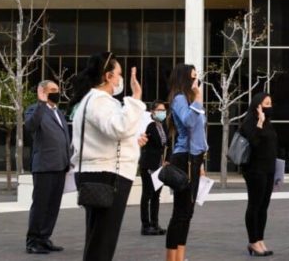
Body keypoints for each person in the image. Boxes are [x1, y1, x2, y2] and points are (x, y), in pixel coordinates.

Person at [68, 52, 145, 261]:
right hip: (107, 175)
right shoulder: (99, 100)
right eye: (119, 74)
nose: (121, 79)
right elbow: (119, 128)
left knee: (97, 238)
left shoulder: (91, 100)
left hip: (98, 173)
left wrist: (132, 141)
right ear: (108, 76)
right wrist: (135, 98)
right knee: (103, 241)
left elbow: (110, 134)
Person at [165, 64, 208, 261]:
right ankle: (172, 257)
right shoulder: (180, 99)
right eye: (192, 77)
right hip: (184, 158)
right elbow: (189, 122)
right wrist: (198, 99)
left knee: (187, 212)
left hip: (194, 158)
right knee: (181, 212)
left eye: (196, 77)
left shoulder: (189, 99)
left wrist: (201, 163)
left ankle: (180, 256)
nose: (196, 81)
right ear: (184, 79)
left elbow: (199, 133)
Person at [24, 80, 71, 254]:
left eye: (57, 90)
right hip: (44, 166)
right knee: (41, 205)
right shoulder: (35, 109)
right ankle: (33, 241)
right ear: (42, 91)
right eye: (52, 90)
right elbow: (30, 125)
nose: (56, 93)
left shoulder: (58, 111)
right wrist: (41, 103)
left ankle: (44, 238)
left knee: (53, 206)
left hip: (60, 166)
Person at [238, 92, 277, 257]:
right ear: (258, 105)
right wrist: (260, 122)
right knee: (254, 205)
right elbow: (254, 143)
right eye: (266, 104)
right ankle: (252, 241)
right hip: (255, 170)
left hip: (268, 169)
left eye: (270, 103)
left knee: (263, 206)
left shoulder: (268, 123)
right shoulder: (249, 122)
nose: (269, 107)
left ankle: (260, 239)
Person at [138, 101, 170, 236]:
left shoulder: (163, 126)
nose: (162, 112)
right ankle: (145, 225)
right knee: (147, 194)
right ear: (152, 111)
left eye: (164, 110)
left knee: (156, 195)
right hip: (148, 165)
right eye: (159, 110)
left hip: (159, 166)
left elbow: (166, 144)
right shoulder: (149, 126)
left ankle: (155, 224)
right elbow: (151, 144)